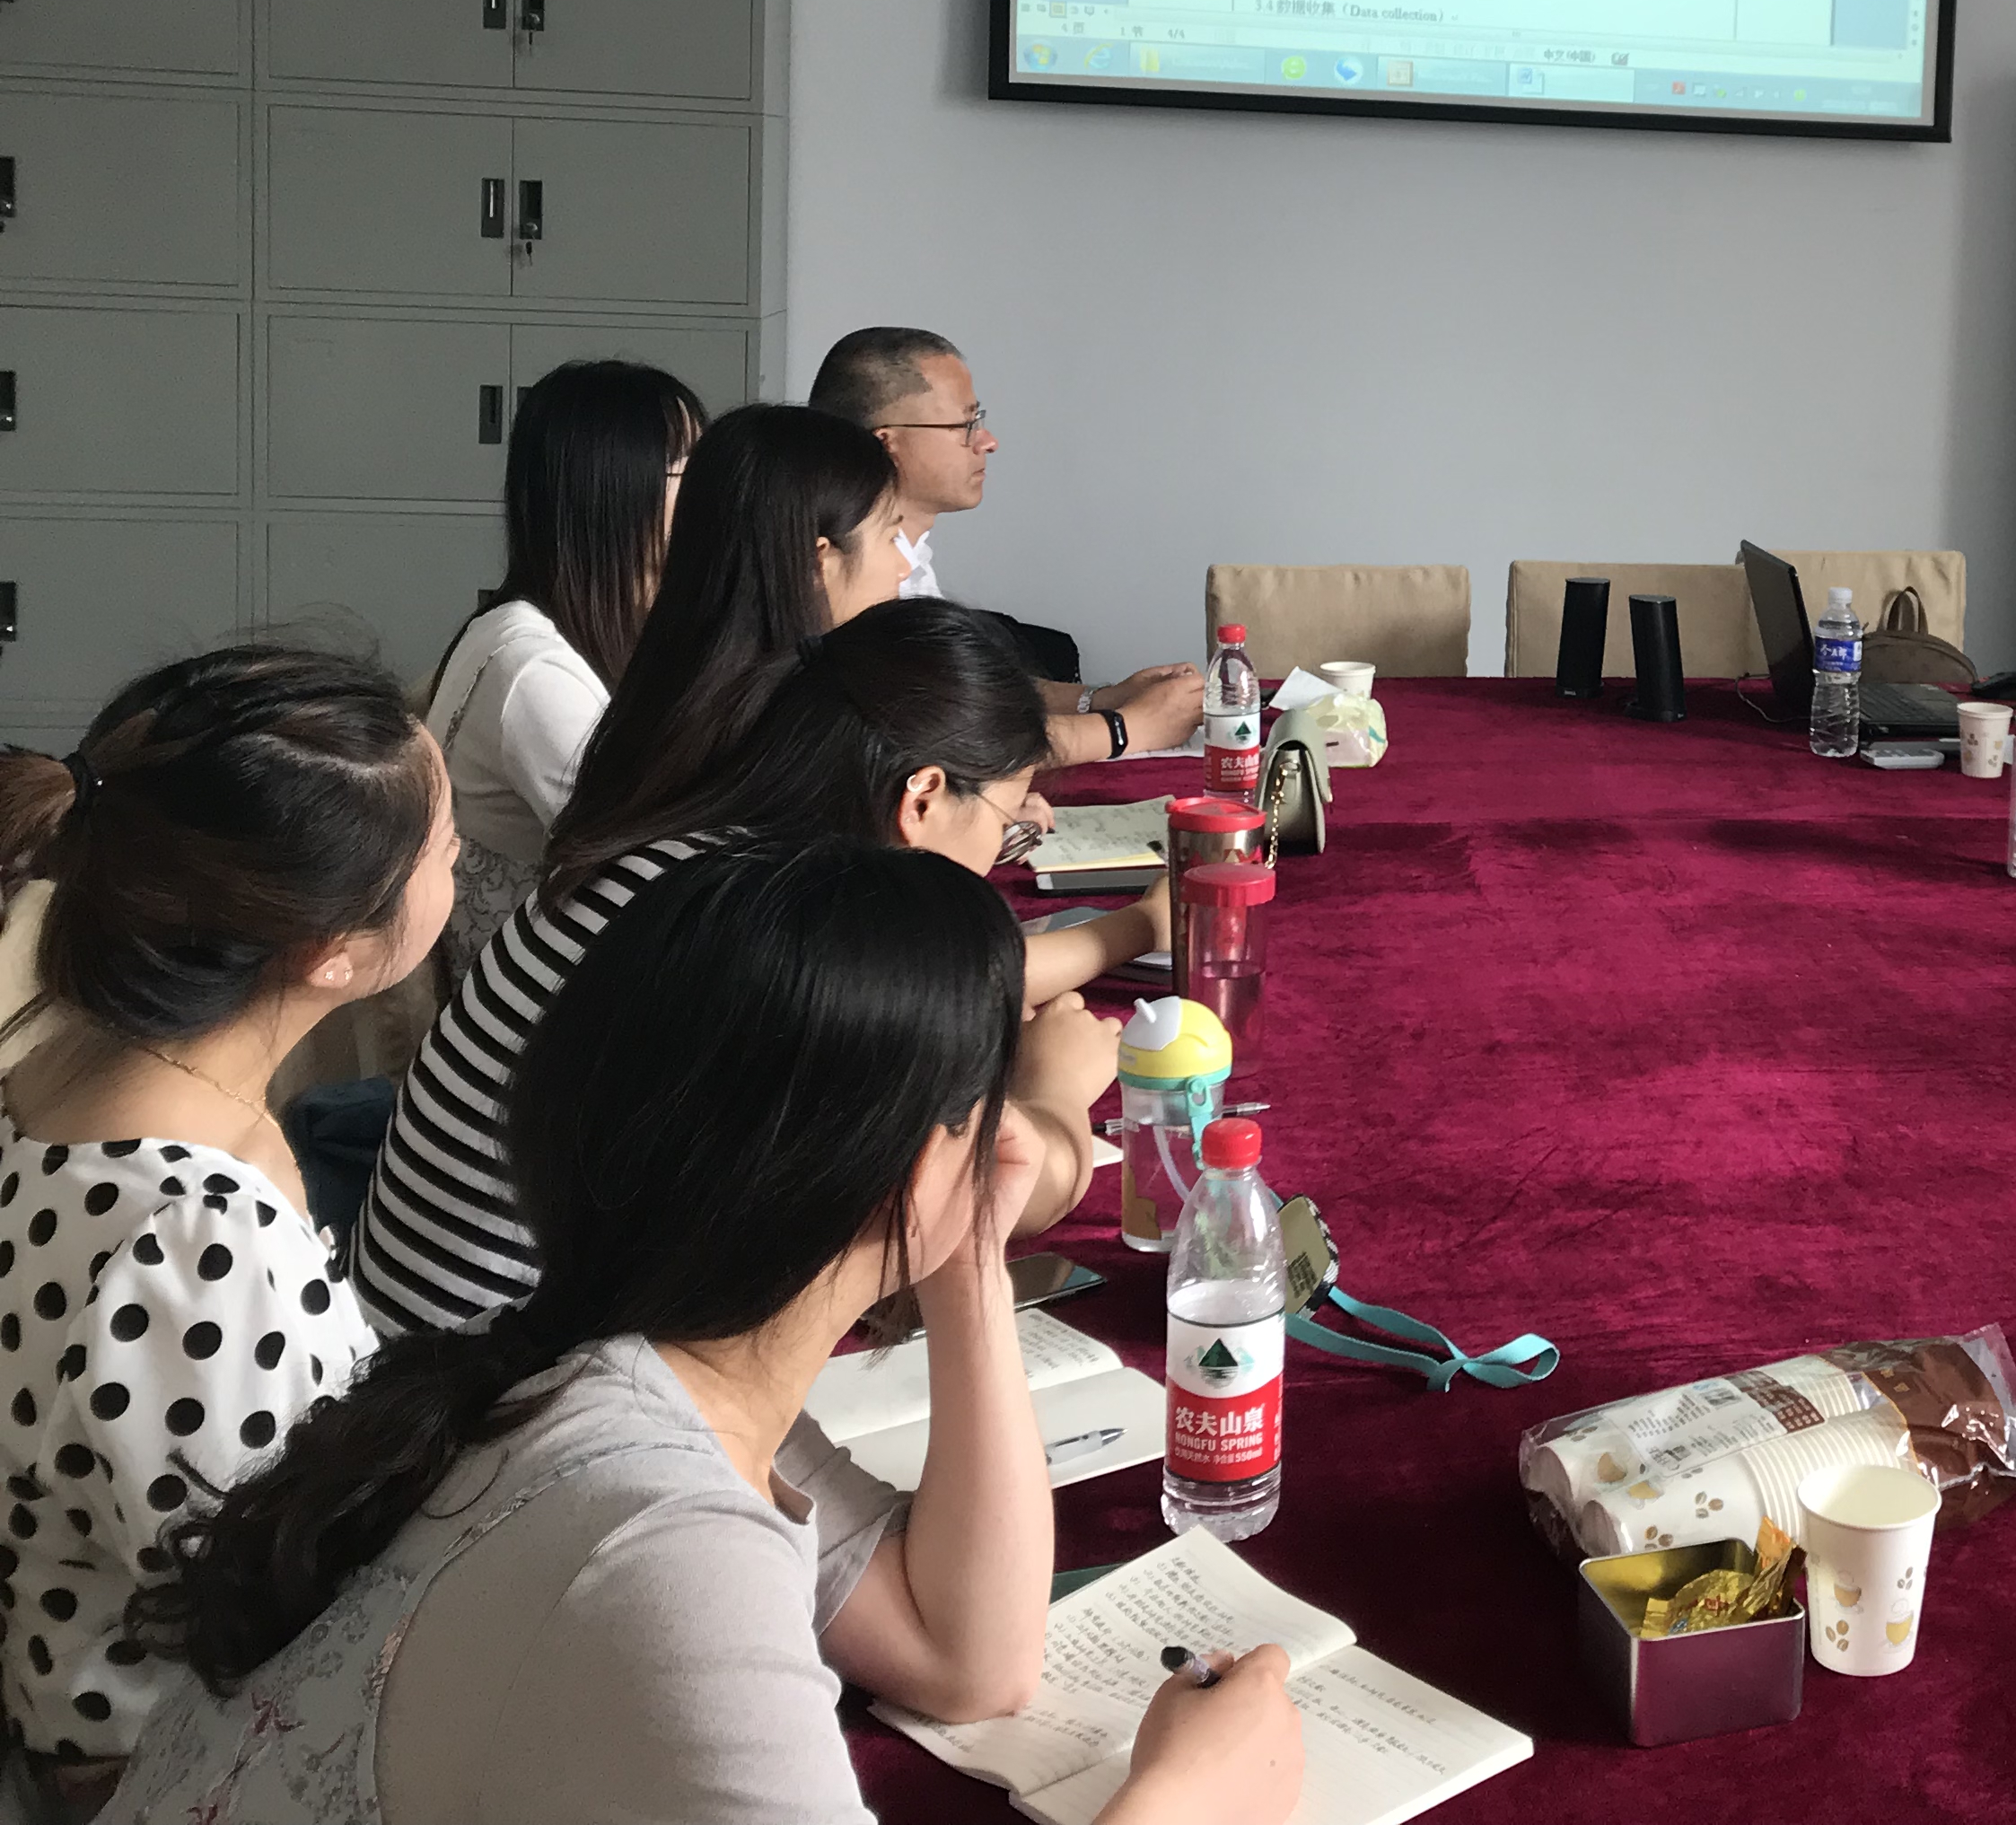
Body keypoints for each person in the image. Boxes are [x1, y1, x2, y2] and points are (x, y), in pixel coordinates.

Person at [109, 838, 1302, 1825]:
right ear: (903, 1170)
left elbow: (970, 1658)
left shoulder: (609, 1370)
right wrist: (1186, 1801)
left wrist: (970, 1250)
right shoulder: (663, 1546)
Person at [356, 601, 1132, 1337]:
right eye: (1006, 819)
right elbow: (982, 1196)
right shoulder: (796, 941)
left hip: (413, 1330)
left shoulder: (678, 857)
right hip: (503, 1378)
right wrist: (1058, 1089)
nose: (999, 852)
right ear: (922, 798)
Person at [0, 649, 457, 1799]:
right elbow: (267, 1605)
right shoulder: (197, 1242)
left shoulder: (55, 1068)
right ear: (333, 954)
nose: (461, 863)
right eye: (448, 851)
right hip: (169, 1775)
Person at [809, 327, 1203, 766]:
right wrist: (1127, 728)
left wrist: (1101, 699)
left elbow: (958, 690)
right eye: (965, 425)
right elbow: (941, 740)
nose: (987, 441)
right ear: (887, 443)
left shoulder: (906, 552)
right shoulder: (844, 568)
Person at [423, 360, 708, 961]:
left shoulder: (613, 628)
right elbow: (649, 869)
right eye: (695, 469)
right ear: (613, 489)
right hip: (535, 995)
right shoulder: (533, 666)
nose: (717, 492)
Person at [554, 400, 906, 864]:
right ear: (817, 562)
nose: (904, 567)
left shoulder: (670, 690)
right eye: (892, 538)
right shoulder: (798, 744)